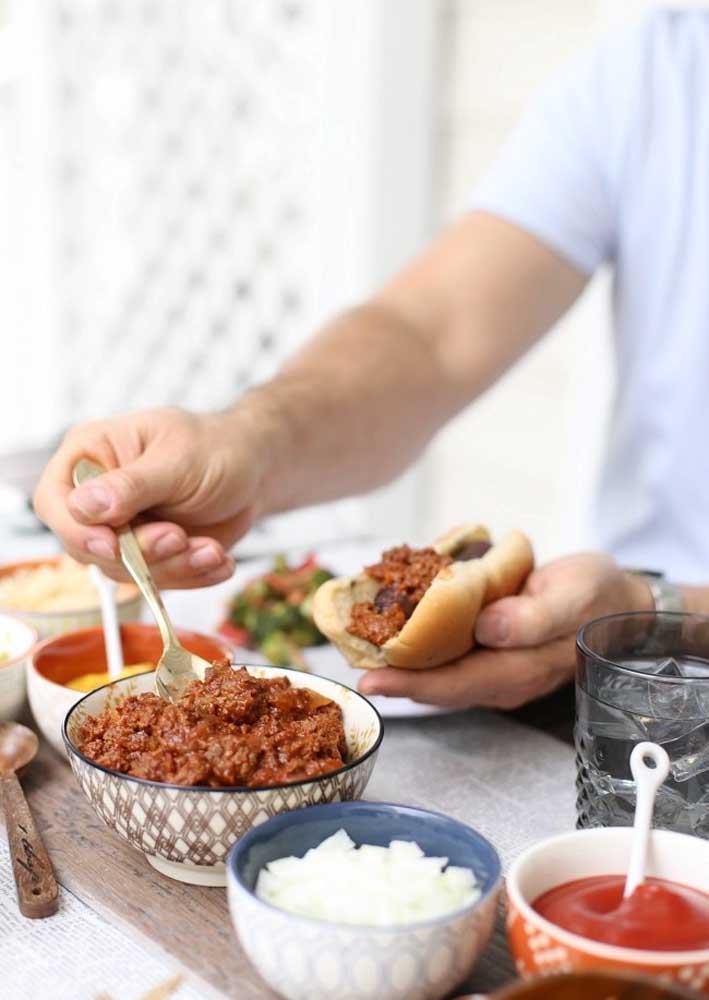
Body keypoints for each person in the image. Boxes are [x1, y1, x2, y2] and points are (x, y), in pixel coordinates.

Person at [33, 10, 709, 711]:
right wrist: (247, 445)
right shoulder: (658, 63)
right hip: (626, 695)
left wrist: (657, 608)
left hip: (634, 637)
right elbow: (430, 334)